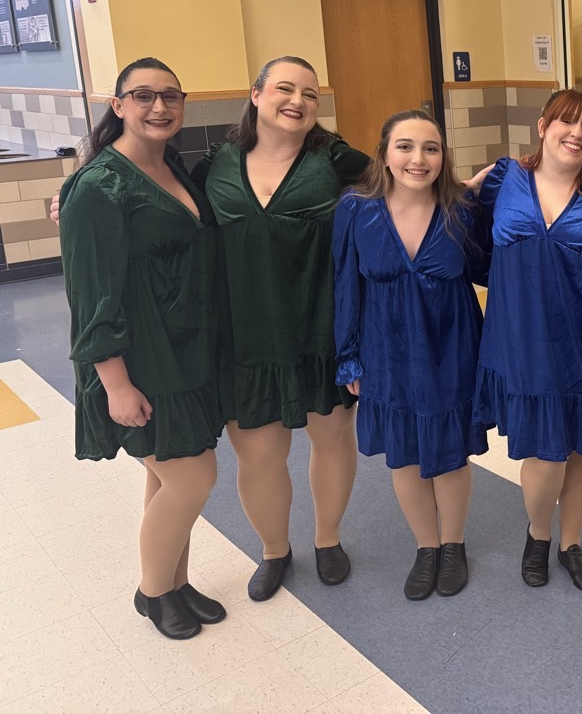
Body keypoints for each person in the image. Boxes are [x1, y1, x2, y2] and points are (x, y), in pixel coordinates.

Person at [60, 58, 226, 640]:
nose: (160, 107)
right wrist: (115, 384)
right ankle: (152, 592)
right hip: (138, 361)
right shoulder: (98, 186)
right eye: (144, 96)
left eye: (171, 96)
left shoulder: (173, 165)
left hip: (184, 351)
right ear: (118, 105)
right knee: (192, 478)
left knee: (166, 477)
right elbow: (90, 295)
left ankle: (174, 582)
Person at [196, 56, 369, 599]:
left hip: (320, 327)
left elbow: (409, 180)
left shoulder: (333, 157)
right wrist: (75, 188)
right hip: (244, 334)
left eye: (310, 95)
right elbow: (149, 188)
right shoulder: (215, 163)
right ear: (256, 94)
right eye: (285, 89)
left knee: (331, 437)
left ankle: (327, 538)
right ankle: (274, 550)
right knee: (259, 453)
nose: (297, 101)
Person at [332, 110, 488, 600]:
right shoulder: (357, 209)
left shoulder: (463, 209)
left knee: (450, 454)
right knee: (404, 457)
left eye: (431, 148)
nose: (418, 159)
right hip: (386, 349)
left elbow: (493, 270)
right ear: (383, 153)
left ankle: (454, 543)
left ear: (444, 156)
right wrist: (349, 355)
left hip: (453, 348)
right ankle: (426, 547)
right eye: (405, 146)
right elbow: (345, 285)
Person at [475, 90, 582, 592]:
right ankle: (538, 533)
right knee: (544, 452)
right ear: (542, 126)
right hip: (522, 337)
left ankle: (571, 542)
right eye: (566, 122)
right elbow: (457, 221)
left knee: (581, 447)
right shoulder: (504, 178)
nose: (576, 133)